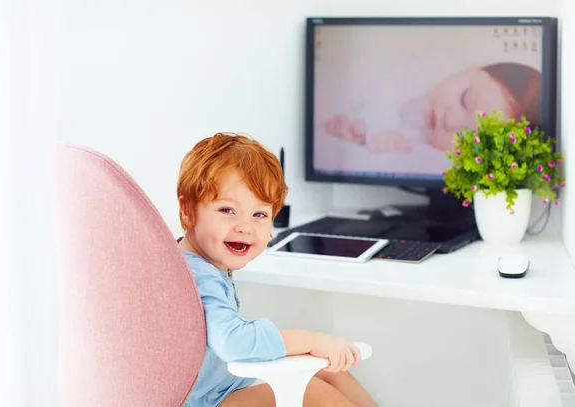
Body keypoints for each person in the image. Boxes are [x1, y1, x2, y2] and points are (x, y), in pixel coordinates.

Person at [178, 133, 379, 407]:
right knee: (316, 394)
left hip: (221, 387)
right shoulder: (201, 278)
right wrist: (312, 340)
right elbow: (234, 342)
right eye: (227, 210)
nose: (245, 227)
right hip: (211, 401)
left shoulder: (189, 261)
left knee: (328, 371)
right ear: (188, 210)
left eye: (259, 215)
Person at [324, 62, 542, 153]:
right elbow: (377, 91)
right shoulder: (414, 73)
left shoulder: (421, 148)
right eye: (465, 99)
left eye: (468, 136)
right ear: (471, 68)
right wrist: (369, 127)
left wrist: (367, 141)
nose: (451, 120)